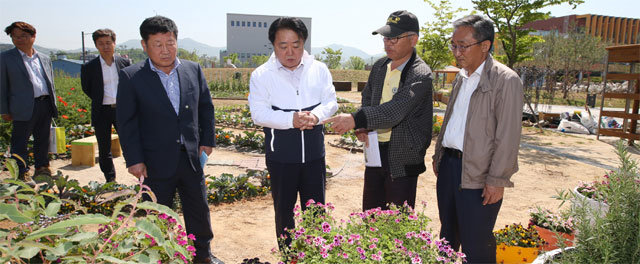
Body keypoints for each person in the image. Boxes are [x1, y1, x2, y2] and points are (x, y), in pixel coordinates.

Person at [116, 16, 222, 264]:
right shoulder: (131, 77)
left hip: (191, 156)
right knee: (156, 211)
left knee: (198, 208)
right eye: (158, 44)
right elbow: (126, 123)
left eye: (170, 42)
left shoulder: (192, 69)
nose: (165, 50)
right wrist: (134, 159)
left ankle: (202, 255)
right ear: (144, 45)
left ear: (177, 41)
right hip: (154, 160)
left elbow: (206, 107)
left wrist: (208, 141)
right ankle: (159, 256)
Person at [431, 15, 524, 263]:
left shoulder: (505, 80)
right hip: (450, 168)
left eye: (463, 46)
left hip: (480, 176)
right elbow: (452, 119)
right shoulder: (462, 77)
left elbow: (508, 136)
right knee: (448, 235)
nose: (457, 52)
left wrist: (497, 179)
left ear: (485, 45)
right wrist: (439, 154)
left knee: (476, 243)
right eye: (454, 45)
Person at [325, 10, 433, 211]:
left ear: (413, 39)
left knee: (397, 219)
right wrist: (362, 127)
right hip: (375, 151)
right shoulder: (380, 66)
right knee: (371, 213)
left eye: (394, 38)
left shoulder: (420, 74)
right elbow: (368, 96)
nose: (388, 43)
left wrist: (356, 119)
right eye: (386, 37)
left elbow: (395, 111)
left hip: (403, 158)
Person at [248, 17, 337, 248]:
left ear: (304, 43)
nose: (290, 52)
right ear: (273, 45)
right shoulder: (261, 75)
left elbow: (331, 102)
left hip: (314, 157)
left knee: (316, 212)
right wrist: (291, 119)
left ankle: (318, 255)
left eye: (296, 45)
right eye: (283, 46)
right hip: (281, 159)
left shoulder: (319, 69)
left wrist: (316, 116)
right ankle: (289, 256)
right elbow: (258, 113)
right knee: (284, 212)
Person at [1, 21, 57, 185]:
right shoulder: (5, 58)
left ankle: (42, 168)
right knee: (20, 142)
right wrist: (4, 109)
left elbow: (50, 82)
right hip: (22, 107)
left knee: (42, 139)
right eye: (15, 37)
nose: (19, 40)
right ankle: (22, 173)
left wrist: (53, 105)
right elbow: (2, 86)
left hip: (44, 104)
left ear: (33, 37)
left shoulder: (44, 58)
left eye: (23, 36)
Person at [80, 29, 130, 183]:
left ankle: (139, 177)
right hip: (101, 111)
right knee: (104, 147)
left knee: (129, 143)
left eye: (108, 43)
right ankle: (110, 179)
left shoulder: (125, 63)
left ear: (114, 43)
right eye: (101, 44)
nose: (105, 46)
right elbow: (87, 88)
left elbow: (131, 85)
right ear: (96, 46)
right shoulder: (89, 67)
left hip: (122, 110)